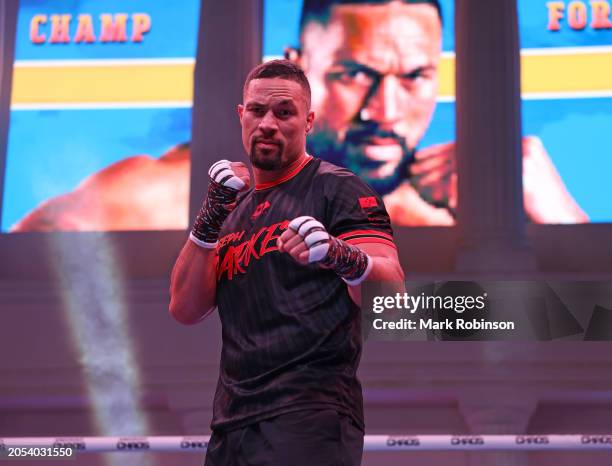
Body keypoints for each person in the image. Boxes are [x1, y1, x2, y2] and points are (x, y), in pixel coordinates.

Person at [10, 0, 588, 232]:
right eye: (355, 75)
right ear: (297, 68)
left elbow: (566, 338)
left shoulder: (447, 210)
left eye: (415, 78)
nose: (386, 112)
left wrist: (564, 223)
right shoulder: (172, 196)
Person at [169, 60, 404, 465]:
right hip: (232, 422)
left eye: (283, 112)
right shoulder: (231, 209)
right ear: (242, 116)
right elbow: (185, 309)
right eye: (257, 111)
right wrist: (209, 218)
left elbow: (392, 295)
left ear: (308, 120)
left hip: (309, 413)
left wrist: (339, 254)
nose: (267, 124)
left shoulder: (338, 189)